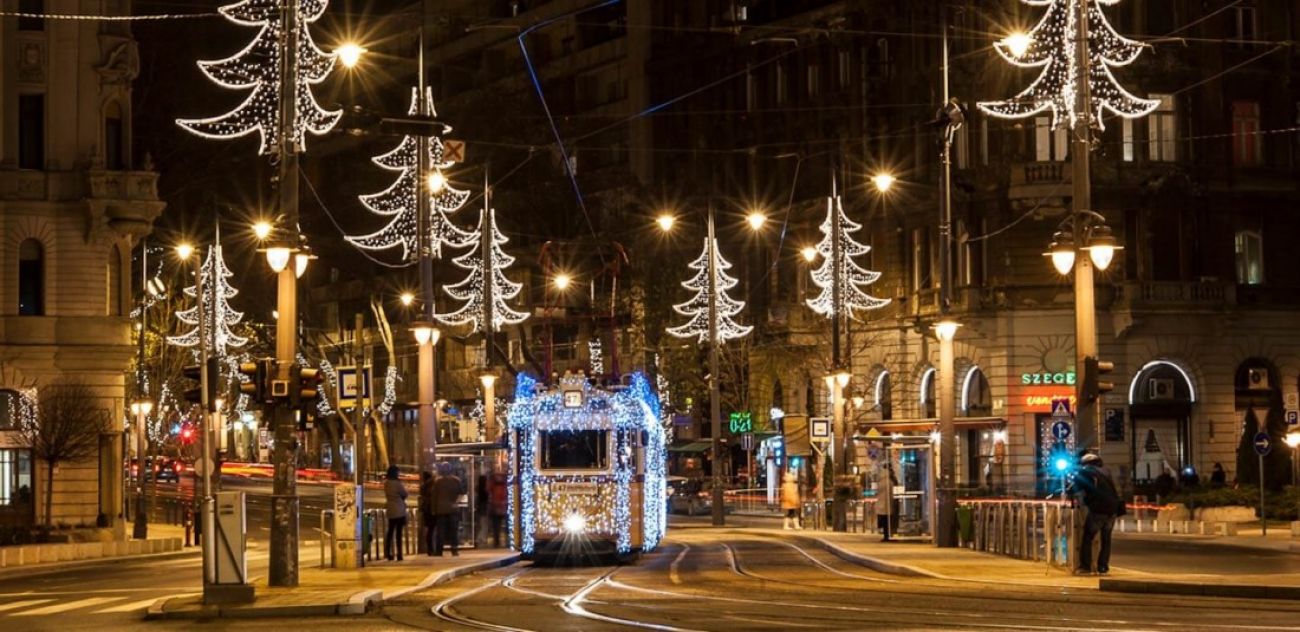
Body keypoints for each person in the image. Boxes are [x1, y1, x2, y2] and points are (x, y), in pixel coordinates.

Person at [1070, 453, 1122, 575]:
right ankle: (1103, 567)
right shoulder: (1106, 472)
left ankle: (1085, 567)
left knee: (1088, 537)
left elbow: (1075, 488)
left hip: (1099, 508)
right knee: (1106, 538)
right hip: (1113, 508)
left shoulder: (1086, 472)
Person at [433, 462, 463, 556]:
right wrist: (456, 503)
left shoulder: (438, 481)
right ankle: (454, 550)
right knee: (454, 530)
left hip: (441, 509)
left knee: (440, 531)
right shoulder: (456, 480)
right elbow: (461, 494)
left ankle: (439, 551)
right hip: (453, 509)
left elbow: (434, 496)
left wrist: (433, 510)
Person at [384, 465, 408, 561]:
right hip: (399, 510)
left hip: (390, 509)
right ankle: (399, 554)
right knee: (398, 533)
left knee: (390, 532)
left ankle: (388, 553)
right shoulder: (398, 483)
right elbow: (405, 493)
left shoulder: (386, 483)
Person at [487, 468, 509, 547]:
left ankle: (497, 542)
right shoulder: (506, 484)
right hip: (503, 507)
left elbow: (488, 490)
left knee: (496, 527)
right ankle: (506, 541)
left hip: (496, 507)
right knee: (505, 526)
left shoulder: (493, 483)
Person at [877, 463, 897, 542]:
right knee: (888, 522)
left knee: (885, 522)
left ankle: (886, 536)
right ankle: (888, 535)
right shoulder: (889, 481)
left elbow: (877, 491)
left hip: (882, 504)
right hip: (888, 504)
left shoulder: (881, 482)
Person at [419, 471, 436, 556]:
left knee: (429, 530)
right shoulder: (432, 485)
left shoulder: (423, 486)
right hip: (431, 509)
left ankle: (430, 549)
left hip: (426, 509)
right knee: (432, 530)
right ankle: (431, 549)